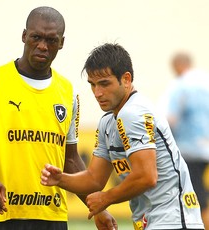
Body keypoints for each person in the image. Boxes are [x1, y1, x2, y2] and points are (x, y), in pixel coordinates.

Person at [0, 6, 117, 230]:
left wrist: (97, 207)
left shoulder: (68, 92)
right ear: (24, 36)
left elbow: (71, 159)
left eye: (51, 40)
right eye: (36, 37)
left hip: (51, 216)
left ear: (61, 43)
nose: (43, 46)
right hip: (3, 215)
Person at [41, 43, 205, 230]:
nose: (97, 93)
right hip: (155, 222)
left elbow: (147, 176)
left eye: (104, 83)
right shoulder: (108, 122)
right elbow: (94, 178)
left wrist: (105, 198)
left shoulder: (133, 113)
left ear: (126, 79)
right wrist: (60, 179)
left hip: (173, 220)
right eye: (92, 85)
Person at [163, 52, 209, 229]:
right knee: (202, 191)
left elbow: (172, 118)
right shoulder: (205, 82)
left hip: (189, 149)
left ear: (178, 65)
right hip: (206, 147)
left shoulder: (181, 86)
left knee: (197, 196)